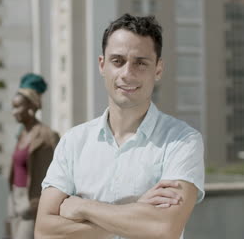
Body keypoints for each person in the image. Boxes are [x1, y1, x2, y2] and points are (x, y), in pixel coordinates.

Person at [35, 14, 205, 239]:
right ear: (102, 65)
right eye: (118, 61)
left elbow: (164, 229)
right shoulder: (73, 142)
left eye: (140, 63)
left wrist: (83, 207)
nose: (127, 73)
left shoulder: (183, 140)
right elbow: (45, 232)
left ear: (158, 69)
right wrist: (137, 212)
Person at [8, 73, 60, 239]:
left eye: (18, 107)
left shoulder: (47, 136)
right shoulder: (21, 133)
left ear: (31, 107)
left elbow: (58, 172)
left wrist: (38, 203)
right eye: (13, 106)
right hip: (15, 199)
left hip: (34, 202)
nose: (13, 112)